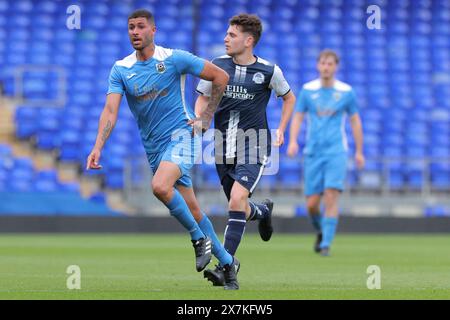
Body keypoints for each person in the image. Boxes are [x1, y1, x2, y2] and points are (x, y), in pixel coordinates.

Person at [86, 9, 240, 290]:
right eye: (131, 27)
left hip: (183, 136)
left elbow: (220, 76)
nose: (135, 31)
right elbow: (110, 111)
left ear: (152, 31)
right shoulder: (121, 68)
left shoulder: (174, 59)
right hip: (155, 149)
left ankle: (197, 238)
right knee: (193, 209)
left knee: (159, 186)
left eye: (140, 27)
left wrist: (206, 118)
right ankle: (228, 263)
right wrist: (98, 146)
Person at [195, 14, 296, 285]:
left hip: (255, 142)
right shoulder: (216, 65)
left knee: (236, 198)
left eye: (232, 35)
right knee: (238, 204)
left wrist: (282, 129)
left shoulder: (269, 70)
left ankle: (226, 265)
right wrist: (201, 119)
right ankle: (262, 211)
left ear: (248, 40)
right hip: (222, 144)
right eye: (226, 34)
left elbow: (289, 98)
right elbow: (203, 96)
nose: (226, 38)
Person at [287, 49, 365, 256]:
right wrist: (293, 141)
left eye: (330, 64)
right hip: (313, 152)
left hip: (337, 151)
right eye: (323, 63)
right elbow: (298, 116)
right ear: (317, 65)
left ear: (336, 67)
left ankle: (325, 245)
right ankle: (321, 230)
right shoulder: (307, 90)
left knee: (331, 195)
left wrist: (359, 151)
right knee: (312, 204)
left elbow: (355, 121)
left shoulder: (346, 92)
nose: (326, 67)